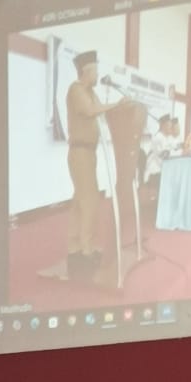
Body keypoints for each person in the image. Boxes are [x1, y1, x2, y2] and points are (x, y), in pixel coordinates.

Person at [65, 50, 125, 278]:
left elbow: (103, 111)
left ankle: (75, 249)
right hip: (80, 151)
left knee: (80, 201)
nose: (98, 75)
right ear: (86, 71)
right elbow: (90, 111)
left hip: (89, 153)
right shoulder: (76, 90)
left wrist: (119, 107)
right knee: (89, 201)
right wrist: (115, 104)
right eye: (95, 71)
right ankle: (86, 251)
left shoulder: (91, 92)